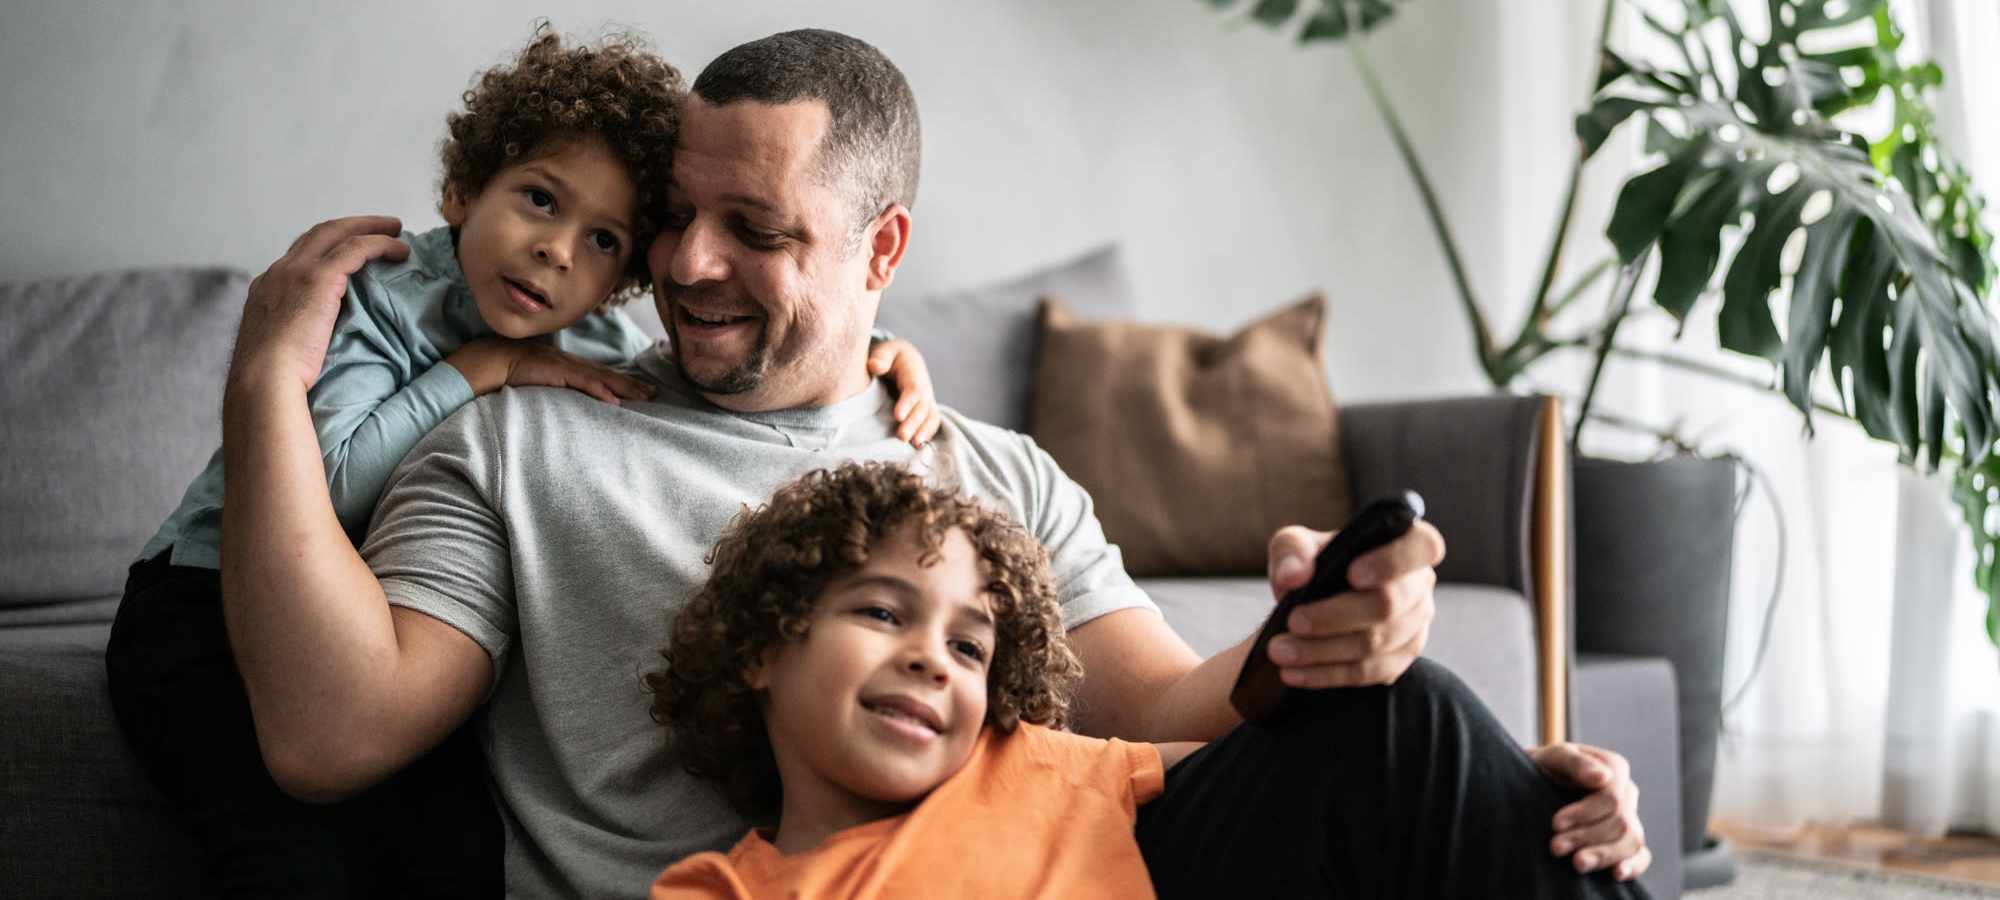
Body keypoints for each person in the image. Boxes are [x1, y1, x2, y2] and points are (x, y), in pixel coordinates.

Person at [219, 28, 1654, 898]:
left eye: (758, 233)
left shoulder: (992, 469)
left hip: (1049, 878)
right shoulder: (523, 437)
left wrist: (1329, 650)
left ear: (881, 250)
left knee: (1425, 736)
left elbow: (1163, 704)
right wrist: (264, 385)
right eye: (677, 217)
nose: (685, 265)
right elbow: (327, 738)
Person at [103, 27, 939, 898]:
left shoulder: (578, 328)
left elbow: (746, 343)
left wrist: (875, 348)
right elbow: (325, 484)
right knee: (280, 857)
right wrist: (476, 373)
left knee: (461, 840)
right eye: (540, 200)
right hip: (200, 601)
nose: (559, 250)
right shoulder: (384, 301)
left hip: (351, 606)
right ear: (466, 188)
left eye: (607, 239)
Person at [647, 461, 1197, 898]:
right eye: (883, 614)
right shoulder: (720, 891)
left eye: (967, 648)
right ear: (761, 648)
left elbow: (1262, 753)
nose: (933, 660)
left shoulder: (1037, 761)